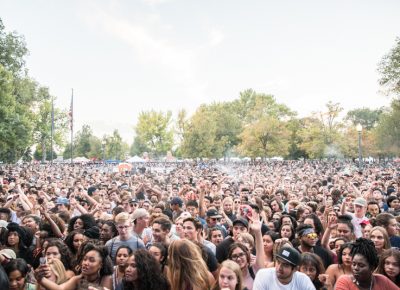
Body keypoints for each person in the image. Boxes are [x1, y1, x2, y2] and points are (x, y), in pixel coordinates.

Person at [37, 243, 113, 290]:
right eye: (85, 259)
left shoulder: (106, 279)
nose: (86, 263)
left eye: (91, 260)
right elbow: (60, 288)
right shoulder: (78, 279)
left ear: (100, 265)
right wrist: (40, 278)